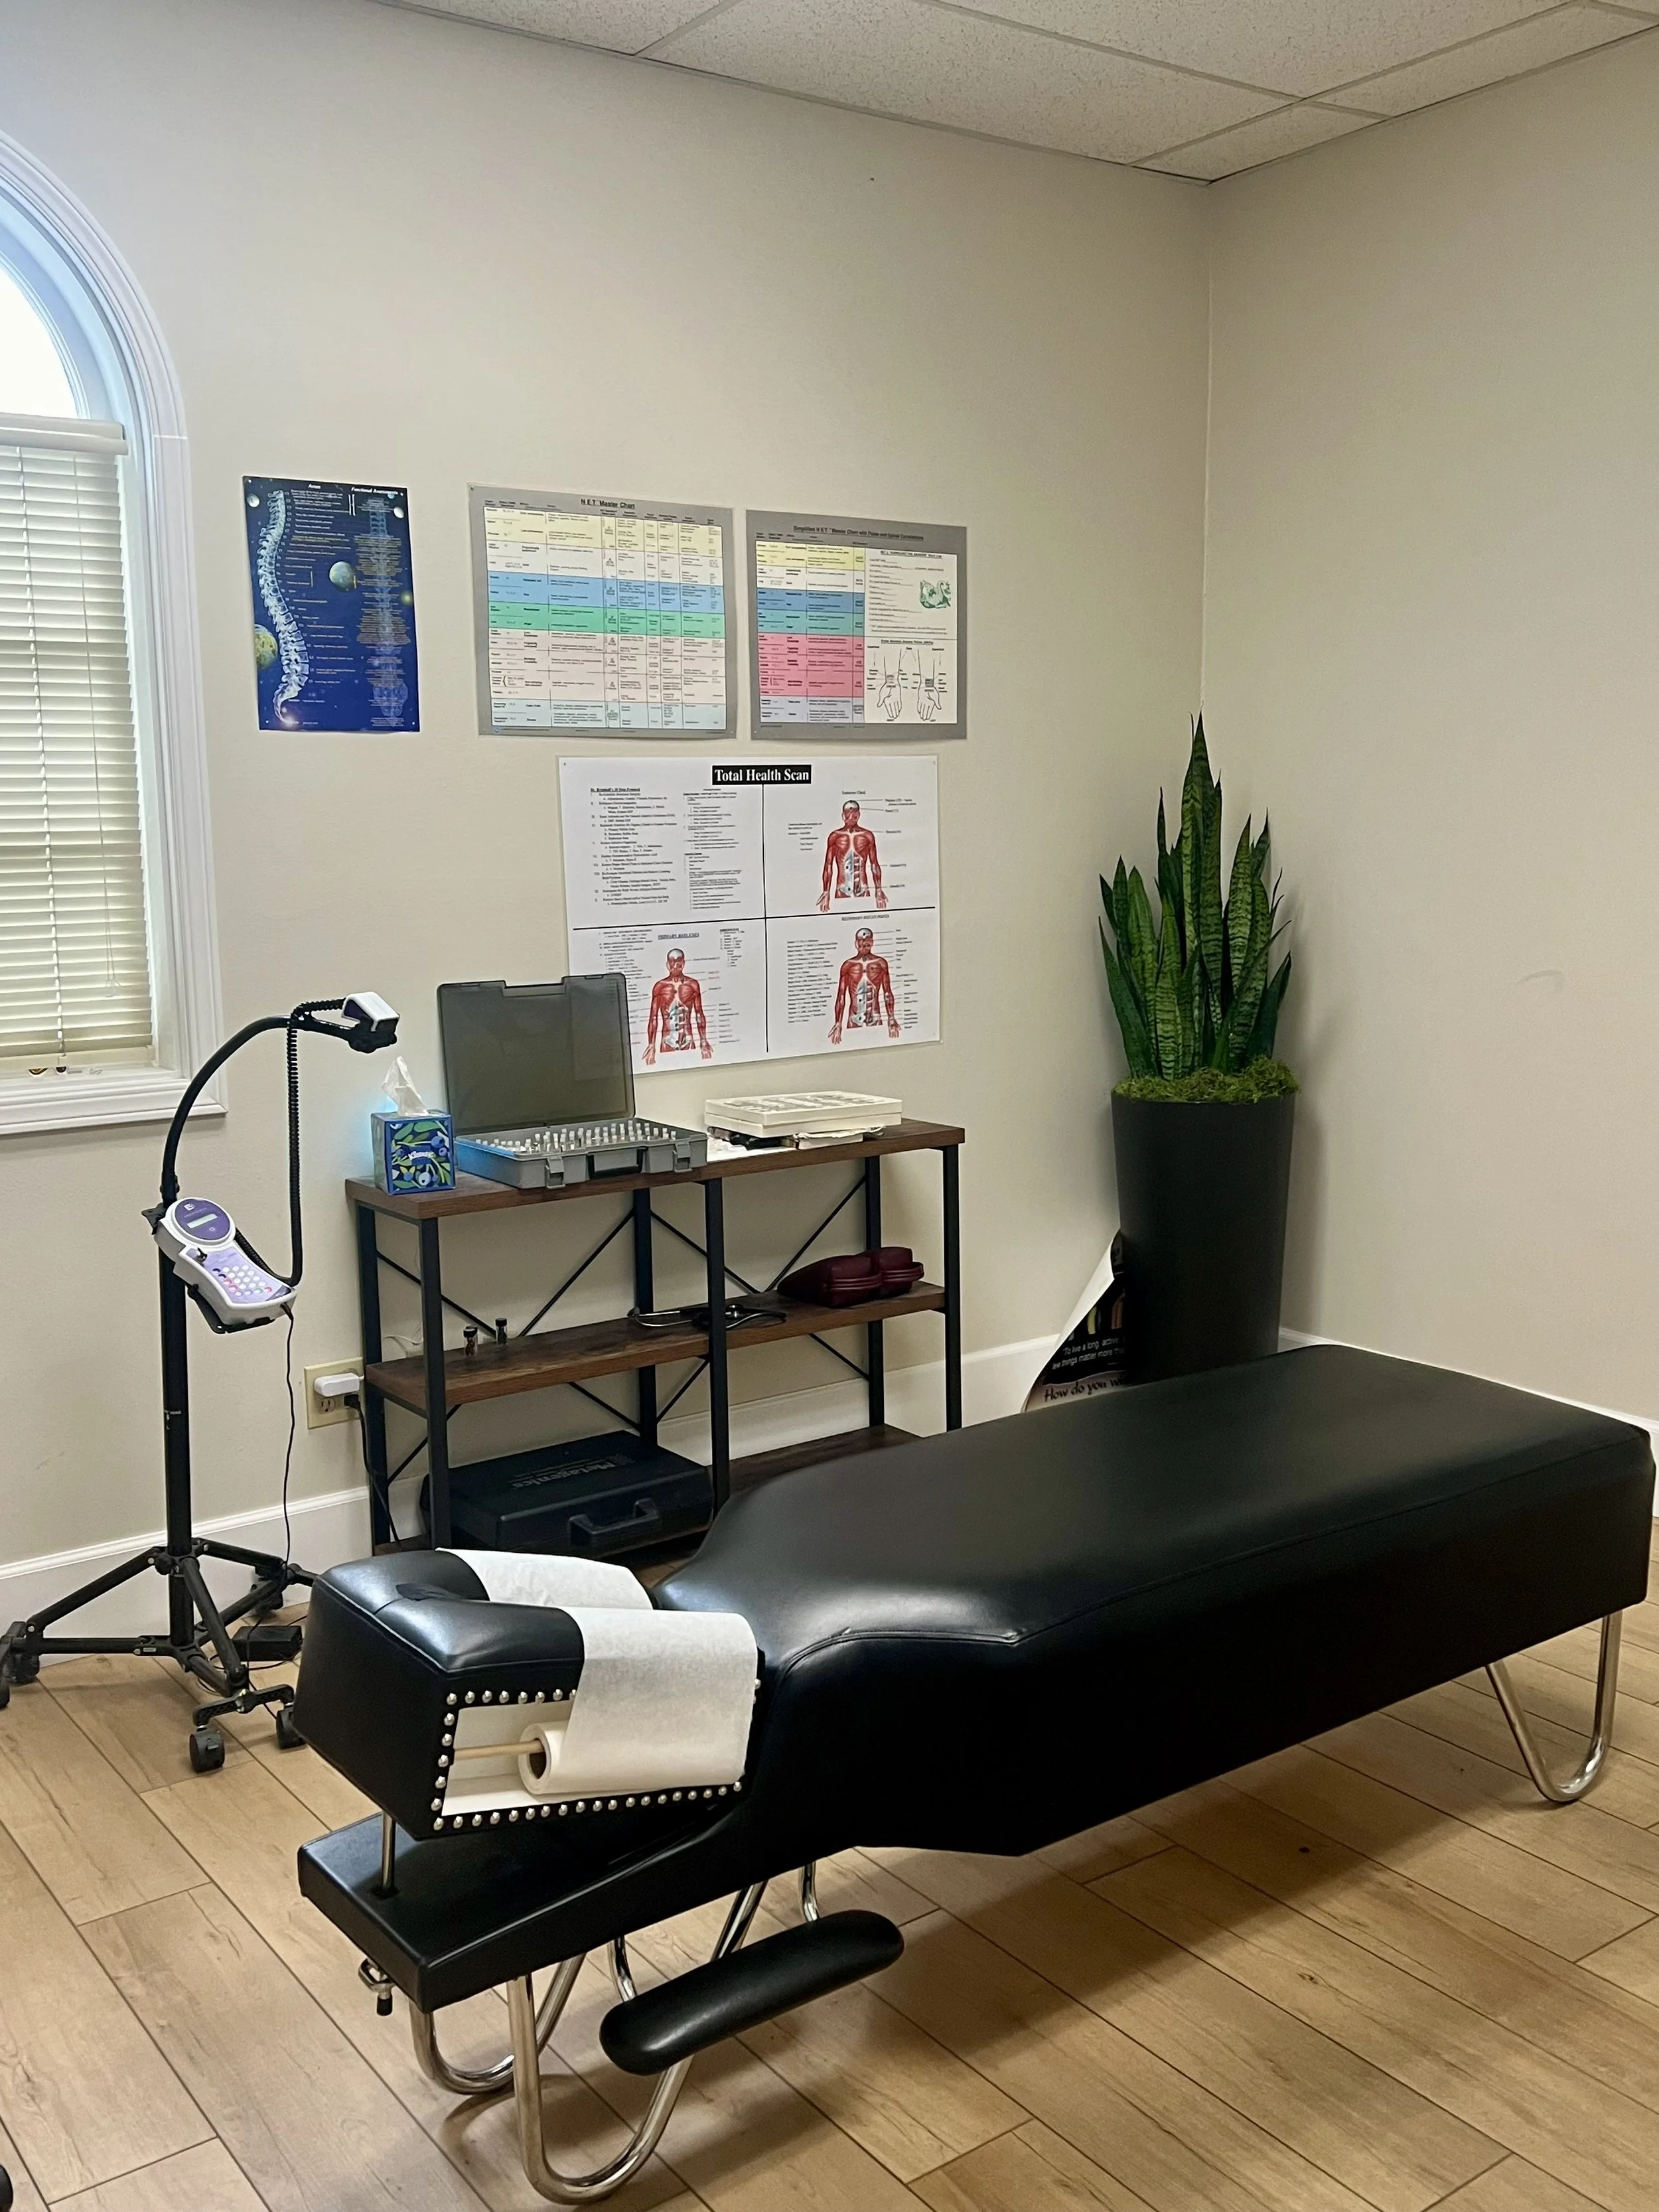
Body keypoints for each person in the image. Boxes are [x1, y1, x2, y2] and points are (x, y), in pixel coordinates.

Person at [830, 926, 901, 1043]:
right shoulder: (848, 965)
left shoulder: (881, 964)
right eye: (861, 944)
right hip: (854, 1019)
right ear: (856, 944)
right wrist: (838, 1023)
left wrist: (891, 1018)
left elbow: (887, 993)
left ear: (872, 943)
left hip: (875, 1017)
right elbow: (841, 996)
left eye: (867, 944)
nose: (863, 947)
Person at [643, 948, 712, 1063]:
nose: (675, 966)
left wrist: (704, 1041)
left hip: (688, 1040)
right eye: (672, 963)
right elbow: (653, 1018)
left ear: (683, 963)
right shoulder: (660, 987)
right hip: (667, 1041)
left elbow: (699, 1014)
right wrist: (651, 1045)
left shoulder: (693, 985)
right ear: (667, 964)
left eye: (678, 963)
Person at [818, 800, 887, 910]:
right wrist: (826, 892)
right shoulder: (835, 836)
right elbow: (828, 866)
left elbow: (874, 865)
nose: (850, 817)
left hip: (863, 891)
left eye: (854, 815)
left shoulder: (867, 836)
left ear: (858, 815)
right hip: (841, 891)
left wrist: (878, 890)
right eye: (847, 814)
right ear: (843, 815)